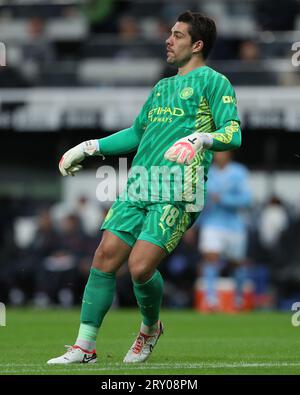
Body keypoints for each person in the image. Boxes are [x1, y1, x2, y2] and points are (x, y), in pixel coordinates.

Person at [48, 11, 242, 365]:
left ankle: (150, 328)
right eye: (170, 33)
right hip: (139, 186)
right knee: (104, 258)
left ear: (197, 45)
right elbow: (137, 133)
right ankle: (84, 347)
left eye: (178, 35)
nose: (168, 40)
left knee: (139, 268)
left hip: (181, 189)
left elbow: (234, 132)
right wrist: (89, 147)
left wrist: (201, 138)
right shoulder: (161, 87)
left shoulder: (215, 83)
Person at [197, 151, 252, 311]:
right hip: (212, 223)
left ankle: (239, 298)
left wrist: (224, 199)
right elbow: (200, 201)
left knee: (236, 264)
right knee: (211, 258)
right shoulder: (207, 171)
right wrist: (194, 225)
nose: (219, 155)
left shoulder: (239, 172)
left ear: (229, 154)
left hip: (234, 226)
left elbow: (247, 199)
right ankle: (211, 299)